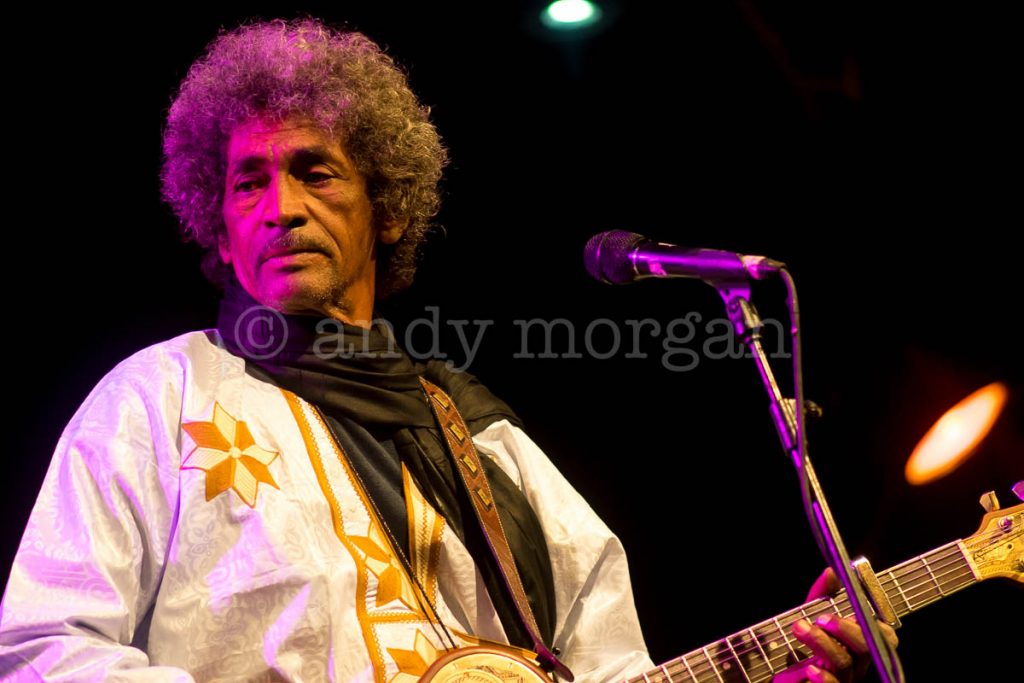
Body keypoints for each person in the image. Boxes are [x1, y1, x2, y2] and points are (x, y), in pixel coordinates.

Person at [0, 18, 894, 683]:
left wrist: (787, 673)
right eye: (247, 180)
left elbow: (616, 666)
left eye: (313, 170)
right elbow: (46, 645)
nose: (279, 205)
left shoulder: (481, 438)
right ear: (218, 227)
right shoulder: (158, 397)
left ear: (384, 207)